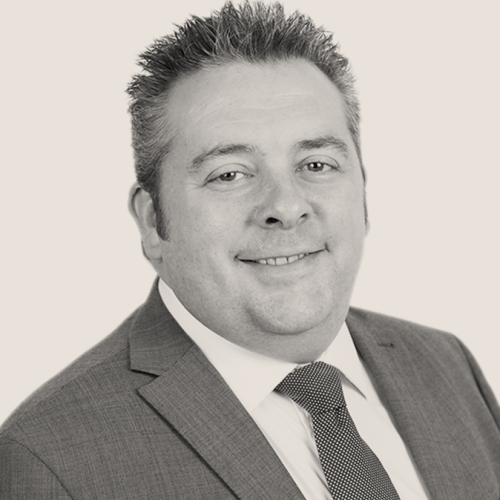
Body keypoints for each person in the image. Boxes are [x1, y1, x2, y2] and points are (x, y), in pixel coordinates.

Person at [1, 1, 499, 498]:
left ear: (363, 192)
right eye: (230, 175)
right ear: (153, 221)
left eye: (317, 164)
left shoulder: (445, 366)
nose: (286, 206)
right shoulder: (48, 461)